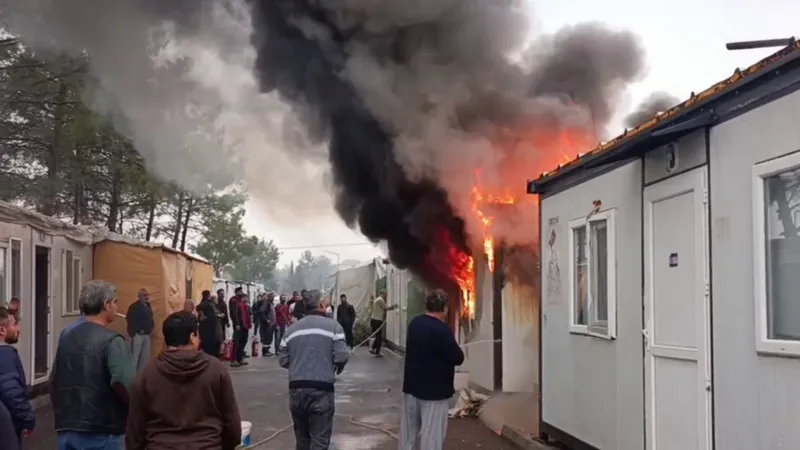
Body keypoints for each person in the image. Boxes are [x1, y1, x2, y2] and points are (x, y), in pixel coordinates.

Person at [126, 311, 242, 450]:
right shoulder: (216, 370)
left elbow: (135, 431)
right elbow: (232, 423)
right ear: (192, 337)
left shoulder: (145, 375)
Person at [52, 280, 133, 450]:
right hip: (103, 430)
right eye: (115, 302)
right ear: (106, 304)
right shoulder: (113, 341)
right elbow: (124, 383)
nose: (117, 307)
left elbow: (54, 378)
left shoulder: (66, 336)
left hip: (67, 427)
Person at [279, 290, 349, 450]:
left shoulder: (291, 329)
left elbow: (283, 359)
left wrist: (299, 363)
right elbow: (341, 357)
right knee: (319, 440)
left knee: (302, 439)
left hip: (296, 389)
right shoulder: (334, 327)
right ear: (321, 305)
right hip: (321, 390)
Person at [399, 289, 464, 450]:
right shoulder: (441, 330)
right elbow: (457, 357)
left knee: (407, 435)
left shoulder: (415, 324)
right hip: (434, 394)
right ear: (445, 308)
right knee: (431, 438)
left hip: (412, 389)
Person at [0, 308, 34, 447]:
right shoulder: (5, 355)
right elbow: (12, 391)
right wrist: (28, 419)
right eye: (14, 324)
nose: (18, 328)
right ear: (2, 330)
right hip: (6, 429)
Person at [126, 288, 154, 372]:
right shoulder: (134, 307)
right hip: (137, 335)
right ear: (139, 296)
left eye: (147, 295)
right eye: (144, 295)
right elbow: (130, 319)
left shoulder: (148, 306)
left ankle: (141, 377)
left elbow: (150, 319)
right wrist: (136, 330)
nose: (146, 297)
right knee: (135, 356)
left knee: (145, 357)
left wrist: (151, 328)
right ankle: (132, 377)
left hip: (147, 335)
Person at [369, 289, 397, 357]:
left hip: (374, 319)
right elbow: (386, 308)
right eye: (386, 294)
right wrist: (394, 306)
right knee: (379, 337)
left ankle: (372, 349)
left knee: (378, 336)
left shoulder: (377, 299)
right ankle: (377, 352)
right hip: (377, 320)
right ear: (383, 294)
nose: (386, 296)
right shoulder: (380, 300)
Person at [228, 288, 250, 367]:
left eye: (242, 291)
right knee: (237, 342)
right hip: (239, 325)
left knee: (243, 341)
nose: (241, 293)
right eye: (240, 291)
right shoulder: (234, 300)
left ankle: (240, 358)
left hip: (245, 325)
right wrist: (236, 323)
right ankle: (234, 360)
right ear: (236, 292)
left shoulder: (242, 301)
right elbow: (234, 313)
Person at [197, 290, 221, 358]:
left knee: (208, 345)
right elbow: (198, 307)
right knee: (209, 346)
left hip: (207, 328)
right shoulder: (206, 303)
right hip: (208, 329)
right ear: (208, 295)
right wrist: (202, 315)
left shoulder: (206, 303)